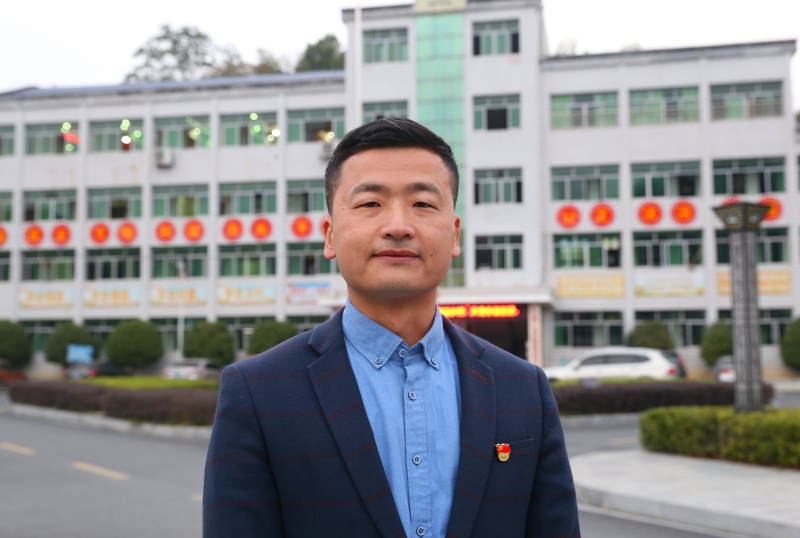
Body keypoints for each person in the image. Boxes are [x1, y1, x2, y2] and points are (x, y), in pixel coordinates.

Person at [203, 118, 580, 538]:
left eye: (422, 204)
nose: (398, 226)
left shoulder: (523, 389)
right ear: (330, 235)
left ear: (454, 234)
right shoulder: (258, 393)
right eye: (370, 203)